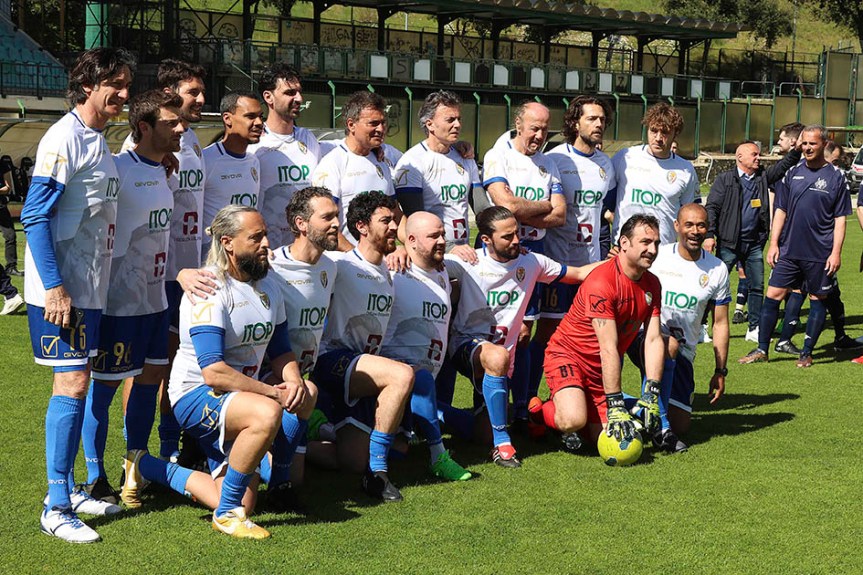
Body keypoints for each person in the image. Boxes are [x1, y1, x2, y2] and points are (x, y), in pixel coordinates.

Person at [21, 47, 135, 543]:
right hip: (61, 291)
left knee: (81, 381)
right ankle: (56, 505)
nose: (125, 94)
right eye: (118, 84)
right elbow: (33, 215)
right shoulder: (62, 138)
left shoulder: (96, 139)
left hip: (88, 288)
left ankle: (66, 489)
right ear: (88, 83)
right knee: (70, 385)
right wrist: (55, 287)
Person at [165, 205, 315, 539]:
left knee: (307, 392)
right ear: (228, 243)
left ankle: (280, 484)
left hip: (241, 394)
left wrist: (292, 380)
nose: (267, 244)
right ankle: (225, 512)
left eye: (266, 235)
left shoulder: (269, 283)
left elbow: (280, 350)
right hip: (197, 395)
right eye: (256, 237)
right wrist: (273, 393)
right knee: (267, 412)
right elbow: (214, 373)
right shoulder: (208, 289)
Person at [78, 90, 183, 509]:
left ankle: (133, 470)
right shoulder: (117, 169)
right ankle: (93, 475)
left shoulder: (165, 171)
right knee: (100, 391)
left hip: (156, 304)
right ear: (143, 128)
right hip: (119, 306)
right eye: (170, 123)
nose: (181, 128)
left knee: (148, 385)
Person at [443, 206, 596, 467]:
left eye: (516, 234)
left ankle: (425, 411)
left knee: (482, 433)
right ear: (486, 239)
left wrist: (622, 261)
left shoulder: (531, 262)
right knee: (497, 355)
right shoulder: (467, 263)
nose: (516, 241)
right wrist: (448, 249)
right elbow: (421, 260)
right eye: (507, 236)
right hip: (465, 348)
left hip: (501, 363)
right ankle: (503, 445)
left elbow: (579, 274)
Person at [311, 191, 413, 501]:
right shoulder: (338, 264)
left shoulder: (389, 270)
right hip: (334, 358)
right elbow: (291, 262)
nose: (394, 226)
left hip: (365, 366)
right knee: (402, 375)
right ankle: (378, 475)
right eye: (385, 221)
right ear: (362, 227)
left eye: (394, 220)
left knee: (351, 462)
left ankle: (285, 442)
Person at [530, 214, 664, 449]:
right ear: (624, 243)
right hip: (568, 356)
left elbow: (653, 339)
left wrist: (652, 392)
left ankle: (576, 404)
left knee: (601, 439)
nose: (652, 250)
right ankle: (537, 412)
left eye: (656, 243)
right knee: (573, 419)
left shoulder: (652, 283)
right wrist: (615, 404)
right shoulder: (602, 282)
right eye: (645, 242)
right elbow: (608, 346)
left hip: (599, 368)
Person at [479, 101, 566, 424]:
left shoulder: (549, 164)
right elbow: (505, 205)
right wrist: (541, 205)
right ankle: (487, 405)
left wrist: (524, 207)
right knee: (494, 331)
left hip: (533, 255)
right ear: (519, 124)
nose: (540, 135)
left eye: (545, 129)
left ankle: (524, 405)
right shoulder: (497, 155)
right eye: (534, 128)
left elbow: (559, 216)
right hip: (498, 256)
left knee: (528, 333)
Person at [740, 125, 852, 368]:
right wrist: (774, 243)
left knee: (817, 297)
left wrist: (835, 252)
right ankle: (762, 348)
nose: (808, 148)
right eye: (804, 144)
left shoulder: (835, 176)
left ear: (824, 144)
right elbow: (781, 210)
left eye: (812, 143)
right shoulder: (791, 173)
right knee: (773, 295)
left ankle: (807, 352)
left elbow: (840, 219)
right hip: (790, 250)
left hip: (820, 253)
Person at [377, 211, 472, 480]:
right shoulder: (393, 271)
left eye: (443, 234)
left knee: (472, 429)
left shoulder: (444, 268)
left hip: (425, 382)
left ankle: (416, 427)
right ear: (411, 240)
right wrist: (392, 252)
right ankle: (437, 455)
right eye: (434, 236)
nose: (442, 240)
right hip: (395, 377)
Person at [535, 96, 614, 416]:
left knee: (589, 338)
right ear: (575, 123)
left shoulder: (607, 164)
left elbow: (607, 210)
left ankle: (573, 400)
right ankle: (530, 399)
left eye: (602, 120)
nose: (599, 125)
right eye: (592, 119)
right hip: (558, 264)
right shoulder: (554, 159)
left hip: (592, 266)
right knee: (547, 335)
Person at [631, 204, 730, 450]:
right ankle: (661, 427)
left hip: (685, 353)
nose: (695, 231)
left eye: (701, 225)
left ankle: (624, 405)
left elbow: (719, 323)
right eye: (688, 225)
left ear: (707, 229)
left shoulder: (717, 269)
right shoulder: (658, 255)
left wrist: (720, 371)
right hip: (644, 337)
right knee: (667, 344)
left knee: (682, 424)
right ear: (677, 226)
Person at [704, 140, 801, 345]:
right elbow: (712, 207)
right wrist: (709, 234)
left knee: (756, 286)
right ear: (740, 157)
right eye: (754, 155)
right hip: (729, 243)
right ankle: (702, 325)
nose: (759, 158)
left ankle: (754, 328)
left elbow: (783, 166)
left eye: (759, 154)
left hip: (754, 243)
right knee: (714, 284)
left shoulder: (762, 177)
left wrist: (797, 149)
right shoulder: (725, 180)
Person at [393, 90, 481, 251]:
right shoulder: (412, 162)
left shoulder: (465, 157)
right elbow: (415, 221)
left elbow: (482, 208)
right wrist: (449, 248)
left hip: (464, 253)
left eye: (459, 119)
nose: (458, 125)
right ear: (430, 124)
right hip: (429, 254)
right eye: (450, 120)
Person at [311, 91, 400, 250]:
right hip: (345, 261)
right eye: (373, 123)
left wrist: (409, 245)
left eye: (383, 122)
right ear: (351, 124)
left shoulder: (382, 159)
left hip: (380, 261)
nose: (381, 129)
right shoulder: (333, 164)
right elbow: (322, 223)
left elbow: (395, 213)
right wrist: (356, 257)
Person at [251, 63, 321, 248]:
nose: (299, 98)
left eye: (299, 92)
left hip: (304, 251)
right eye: (290, 93)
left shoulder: (308, 138)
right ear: (269, 97)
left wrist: (374, 149)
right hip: (269, 253)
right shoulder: (255, 144)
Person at [610, 102, 699, 245]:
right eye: (653, 131)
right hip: (624, 250)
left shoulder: (686, 170)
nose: (658, 138)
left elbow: (689, 216)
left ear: (675, 134)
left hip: (662, 252)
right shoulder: (625, 157)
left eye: (664, 132)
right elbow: (603, 198)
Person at [200, 91, 263, 256]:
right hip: (214, 257)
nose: (259, 123)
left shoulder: (254, 161)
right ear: (227, 118)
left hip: (246, 255)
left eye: (260, 116)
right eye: (250, 116)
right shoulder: (206, 160)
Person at [0, 153, 22, 276]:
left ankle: (11, 266)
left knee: (10, 236)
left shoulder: (3, 166)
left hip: (1, 206)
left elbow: (7, 187)